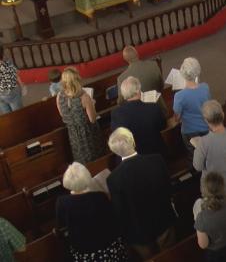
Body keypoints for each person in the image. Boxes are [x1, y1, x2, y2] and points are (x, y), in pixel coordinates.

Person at [106, 128, 176, 259]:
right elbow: (168, 188)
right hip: (163, 220)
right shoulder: (156, 160)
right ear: (133, 142)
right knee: (170, 256)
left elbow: (121, 211)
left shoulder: (113, 179)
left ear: (114, 151)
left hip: (139, 232)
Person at [56, 162, 128, 261]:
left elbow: (61, 223)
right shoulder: (100, 196)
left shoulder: (62, 202)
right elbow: (112, 218)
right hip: (110, 248)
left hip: (84, 253)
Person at [191, 100, 226, 195]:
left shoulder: (203, 142)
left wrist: (198, 148)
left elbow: (197, 166)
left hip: (215, 189)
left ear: (206, 120)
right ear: (223, 114)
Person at [56, 67, 106, 163]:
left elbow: (63, 115)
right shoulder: (84, 97)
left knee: (80, 158)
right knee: (95, 158)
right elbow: (92, 119)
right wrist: (92, 104)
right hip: (88, 132)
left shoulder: (59, 96)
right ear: (77, 80)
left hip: (72, 133)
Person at [110, 76, 167, 156]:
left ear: (123, 94)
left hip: (133, 155)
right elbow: (163, 126)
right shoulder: (153, 107)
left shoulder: (116, 113)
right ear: (139, 90)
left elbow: (118, 136)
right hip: (157, 152)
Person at [173, 57, 211, 158]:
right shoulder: (205, 87)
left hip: (189, 130)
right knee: (208, 150)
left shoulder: (179, 96)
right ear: (198, 72)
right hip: (206, 126)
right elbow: (208, 104)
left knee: (193, 154)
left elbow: (176, 118)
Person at [0, 46, 24, 115]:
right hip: (11, 91)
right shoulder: (8, 63)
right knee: (18, 113)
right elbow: (16, 75)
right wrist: (22, 86)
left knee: (7, 114)